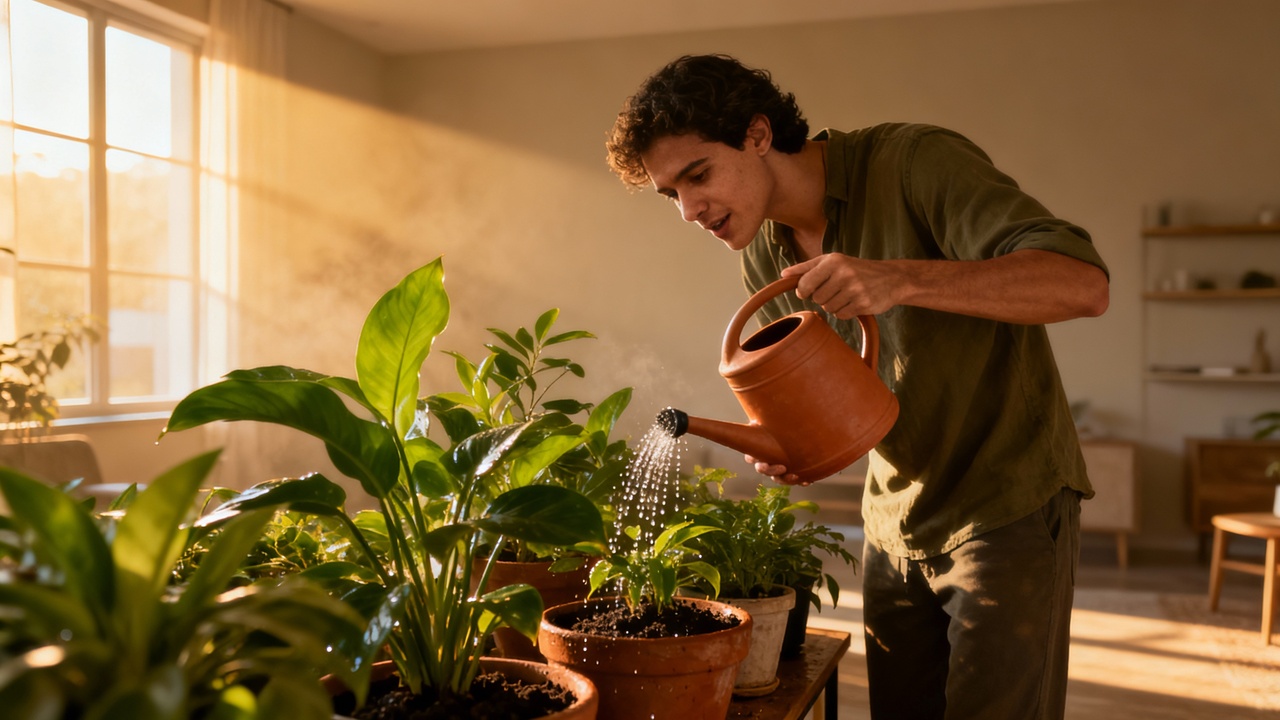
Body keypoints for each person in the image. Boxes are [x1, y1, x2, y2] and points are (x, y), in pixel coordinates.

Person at [605, 53, 1109, 720]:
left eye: (698, 175)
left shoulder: (914, 162)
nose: (690, 210)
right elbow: (837, 404)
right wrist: (791, 446)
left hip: (1004, 502)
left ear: (758, 135)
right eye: (673, 193)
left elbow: (1082, 284)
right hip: (892, 523)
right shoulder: (764, 253)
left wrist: (899, 278)